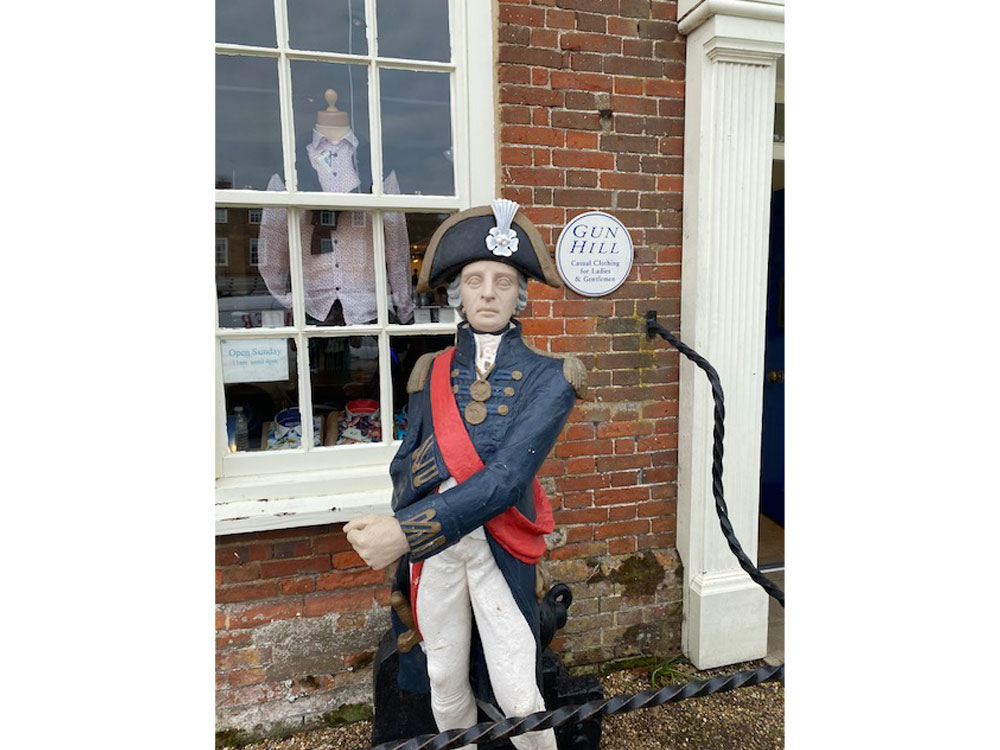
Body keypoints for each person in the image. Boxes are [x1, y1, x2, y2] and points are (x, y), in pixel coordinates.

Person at [345, 199, 585, 750]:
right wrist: (406, 510)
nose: (488, 293)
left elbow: (506, 478)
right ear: (458, 292)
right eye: (475, 280)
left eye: (503, 281)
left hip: (497, 543)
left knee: (519, 694)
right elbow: (405, 465)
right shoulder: (429, 370)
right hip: (436, 551)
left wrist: (405, 532)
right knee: (444, 679)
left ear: (520, 294)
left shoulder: (554, 376)